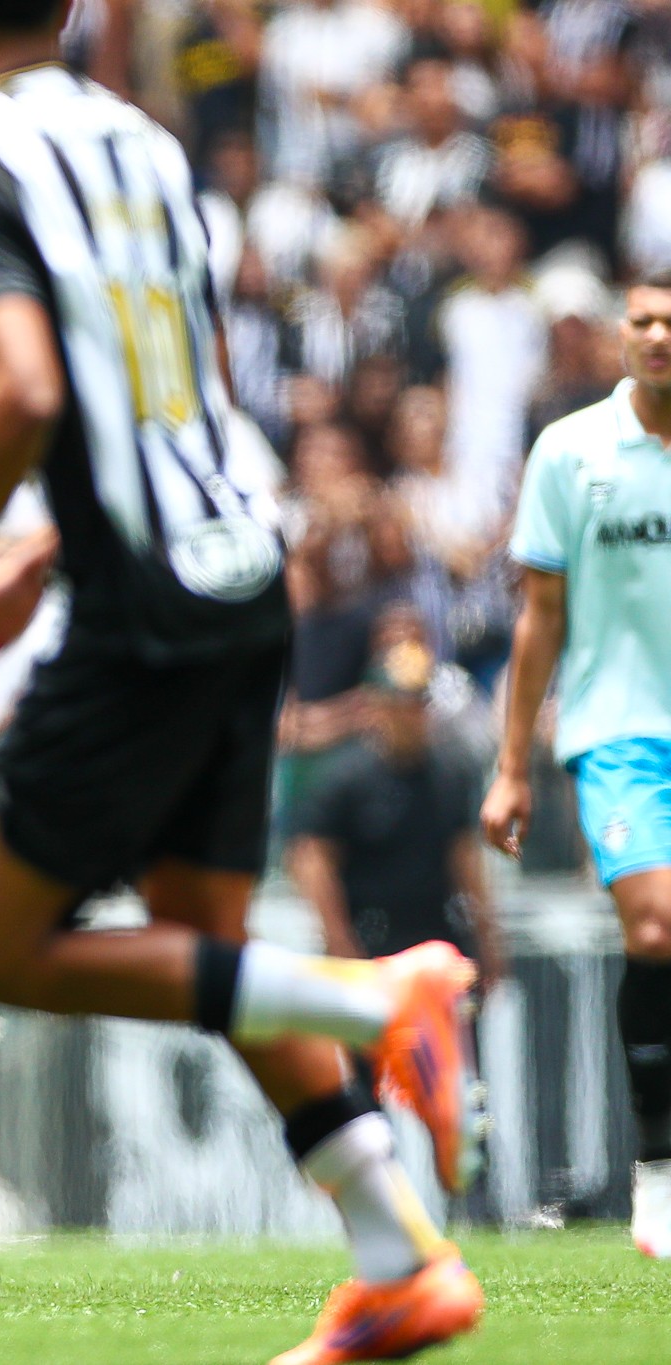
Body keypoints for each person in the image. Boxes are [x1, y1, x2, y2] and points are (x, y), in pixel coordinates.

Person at [0, 3, 484, 1361]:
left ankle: (380, 998)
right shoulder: (145, 141)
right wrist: (41, 548)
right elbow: (185, 387)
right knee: (202, 929)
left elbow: (27, 387)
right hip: (241, 568)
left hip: (144, 604)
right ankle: (397, 1251)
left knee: (7, 944)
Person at [483, 270, 671, 1261]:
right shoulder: (570, 451)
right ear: (618, 333)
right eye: (640, 320)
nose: (654, 336)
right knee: (654, 925)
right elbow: (538, 616)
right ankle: (657, 1168)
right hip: (619, 731)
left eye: (668, 322)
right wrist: (509, 765)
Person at [290, 641, 505, 981]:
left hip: (436, 939)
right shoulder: (344, 778)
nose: (413, 714)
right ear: (377, 705)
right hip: (371, 940)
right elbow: (313, 861)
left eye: (419, 702)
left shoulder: (449, 773)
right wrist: (340, 943)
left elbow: (464, 858)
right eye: (402, 703)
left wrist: (487, 940)